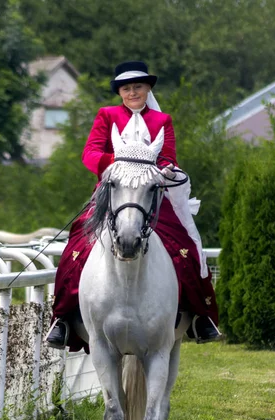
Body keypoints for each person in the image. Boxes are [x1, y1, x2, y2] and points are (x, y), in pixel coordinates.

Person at [47, 61, 221, 351]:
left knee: (185, 246)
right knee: (76, 247)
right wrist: (117, 166)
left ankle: (199, 316)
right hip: (113, 192)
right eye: (126, 88)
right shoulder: (107, 115)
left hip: (150, 195)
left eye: (138, 87)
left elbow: (168, 158)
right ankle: (63, 318)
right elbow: (90, 153)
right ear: (120, 92)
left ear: (148, 88)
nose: (132, 92)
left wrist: (164, 171)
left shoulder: (162, 120)